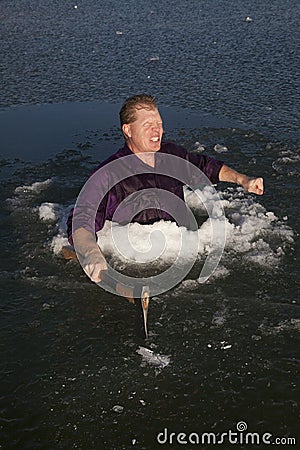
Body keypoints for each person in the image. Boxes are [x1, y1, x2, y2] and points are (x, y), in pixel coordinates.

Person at [67, 94, 264, 285]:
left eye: (159, 125)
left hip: (179, 249)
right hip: (136, 260)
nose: (157, 131)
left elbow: (205, 167)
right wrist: (91, 253)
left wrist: (242, 179)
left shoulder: (172, 155)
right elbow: (82, 219)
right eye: (148, 126)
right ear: (127, 130)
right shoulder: (108, 174)